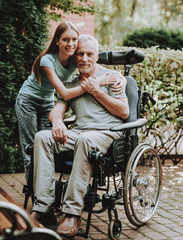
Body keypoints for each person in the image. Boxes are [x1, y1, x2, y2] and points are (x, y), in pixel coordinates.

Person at [31, 34, 129, 237]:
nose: (84, 58)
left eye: (89, 54)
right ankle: (43, 207)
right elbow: (57, 109)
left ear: (96, 56)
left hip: (107, 134)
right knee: (42, 137)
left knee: (85, 140)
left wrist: (96, 91)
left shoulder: (112, 78)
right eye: (80, 54)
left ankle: (72, 213)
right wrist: (57, 121)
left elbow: (124, 112)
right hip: (81, 132)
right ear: (75, 57)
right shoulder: (71, 83)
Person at [15, 22, 126, 182]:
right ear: (57, 41)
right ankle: (33, 189)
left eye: (74, 39)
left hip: (46, 102)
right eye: (66, 39)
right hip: (28, 101)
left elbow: (98, 67)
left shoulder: (76, 59)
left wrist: (122, 78)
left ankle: (48, 188)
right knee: (31, 147)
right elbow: (65, 93)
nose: (71, 44)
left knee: (47, 144)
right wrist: (96, 84)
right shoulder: (47, 60)